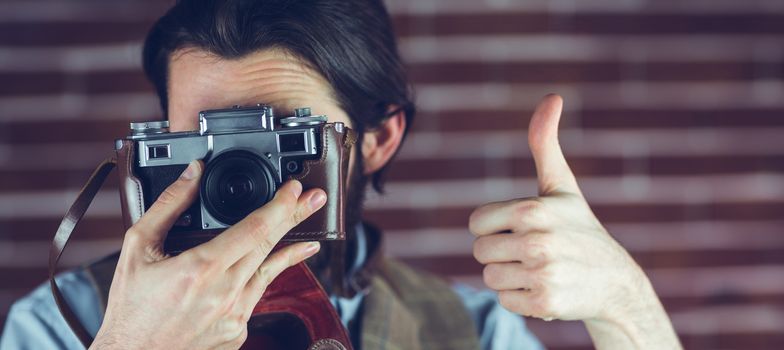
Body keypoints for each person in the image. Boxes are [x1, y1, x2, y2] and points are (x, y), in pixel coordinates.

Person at [1, 0, 682, 349]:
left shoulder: (470, 332)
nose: (239, 179)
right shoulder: (60, 327)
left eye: (285, 141)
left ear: (379, 139)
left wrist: (626, 304)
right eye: (202, 142)